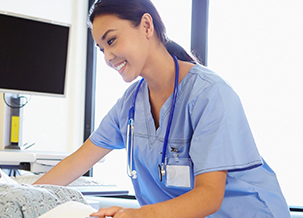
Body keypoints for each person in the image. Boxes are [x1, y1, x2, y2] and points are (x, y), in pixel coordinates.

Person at [34, 0, 290, 217]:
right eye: (101, 49)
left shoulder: (209, 93)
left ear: (147, 26)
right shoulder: (130, 104)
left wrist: (136, 215)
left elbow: (210, 196)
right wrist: (23, 197)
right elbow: (77, 162)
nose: (107, 57)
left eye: (111, 41)